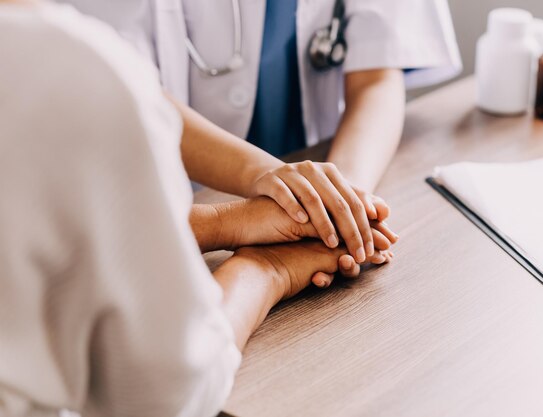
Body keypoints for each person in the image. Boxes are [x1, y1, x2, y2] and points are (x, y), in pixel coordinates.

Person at [0, 1, 397, 415]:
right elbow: (168, 397)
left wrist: (229, 222)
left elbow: (43, 227)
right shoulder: (74, 72)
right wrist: (267, 270)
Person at [54, 0, 461, 218]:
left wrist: (342, 198)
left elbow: (376, 77)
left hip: (308, 174)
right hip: (172, 205)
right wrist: (270, 178)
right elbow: (126, 90)